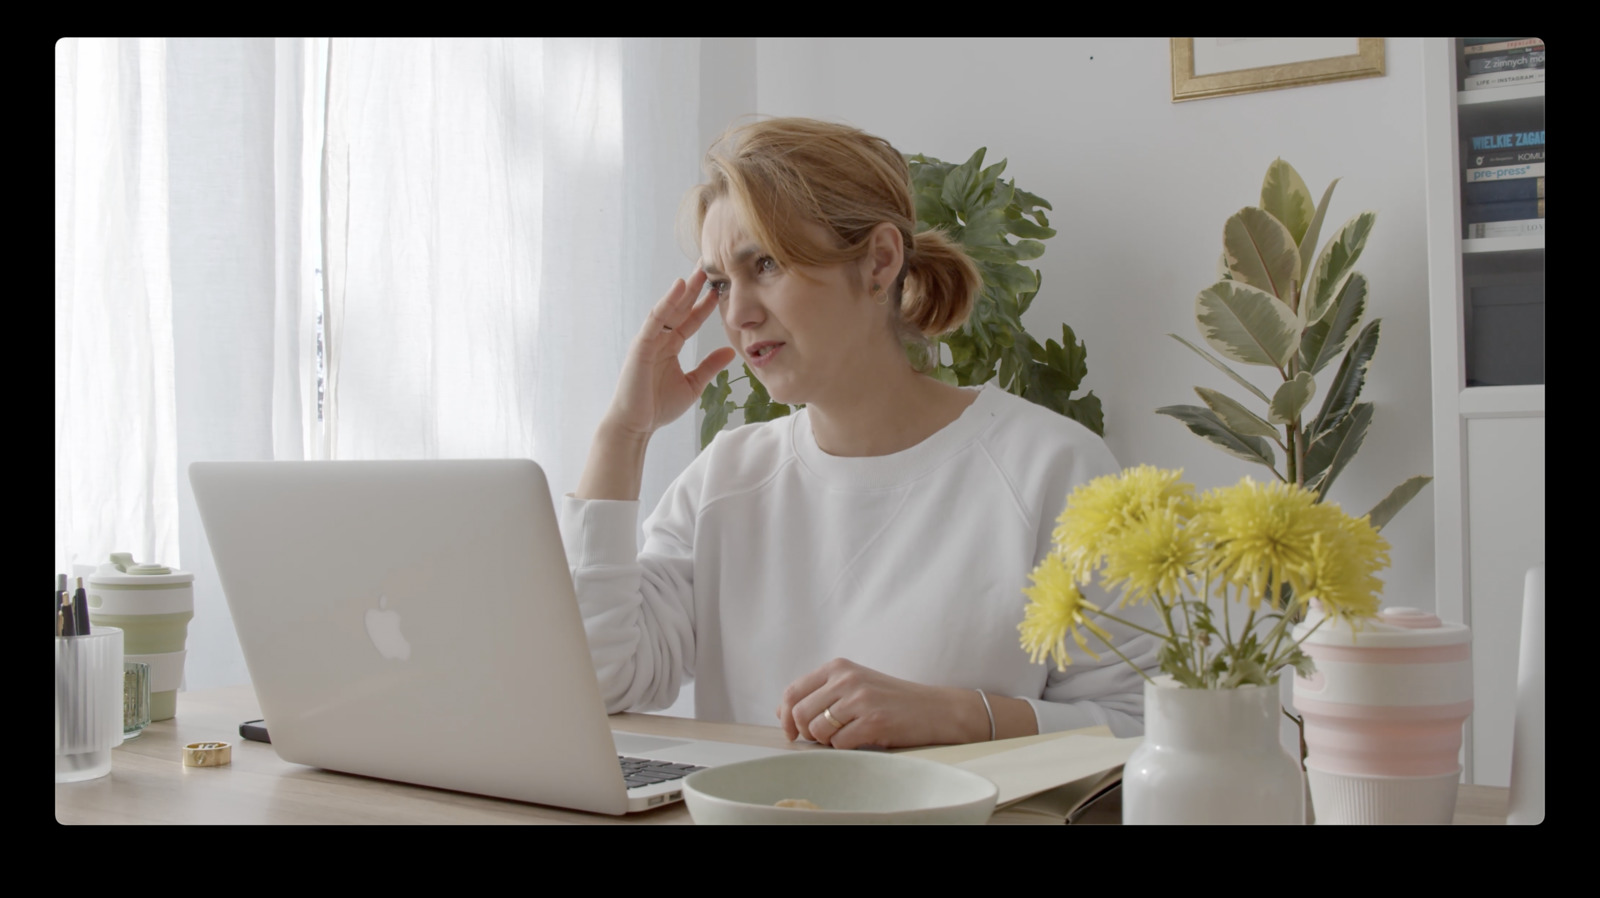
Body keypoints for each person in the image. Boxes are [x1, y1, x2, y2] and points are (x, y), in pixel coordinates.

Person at [562, 117, 1158, 750]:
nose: (737, 314)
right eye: (718, 282)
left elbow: (1146, 727)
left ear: (878, 261)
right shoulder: (726, 476)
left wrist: (960, 717)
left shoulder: (1051, 468)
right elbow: (600, 680)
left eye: (764, 264)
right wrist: (623, 434)